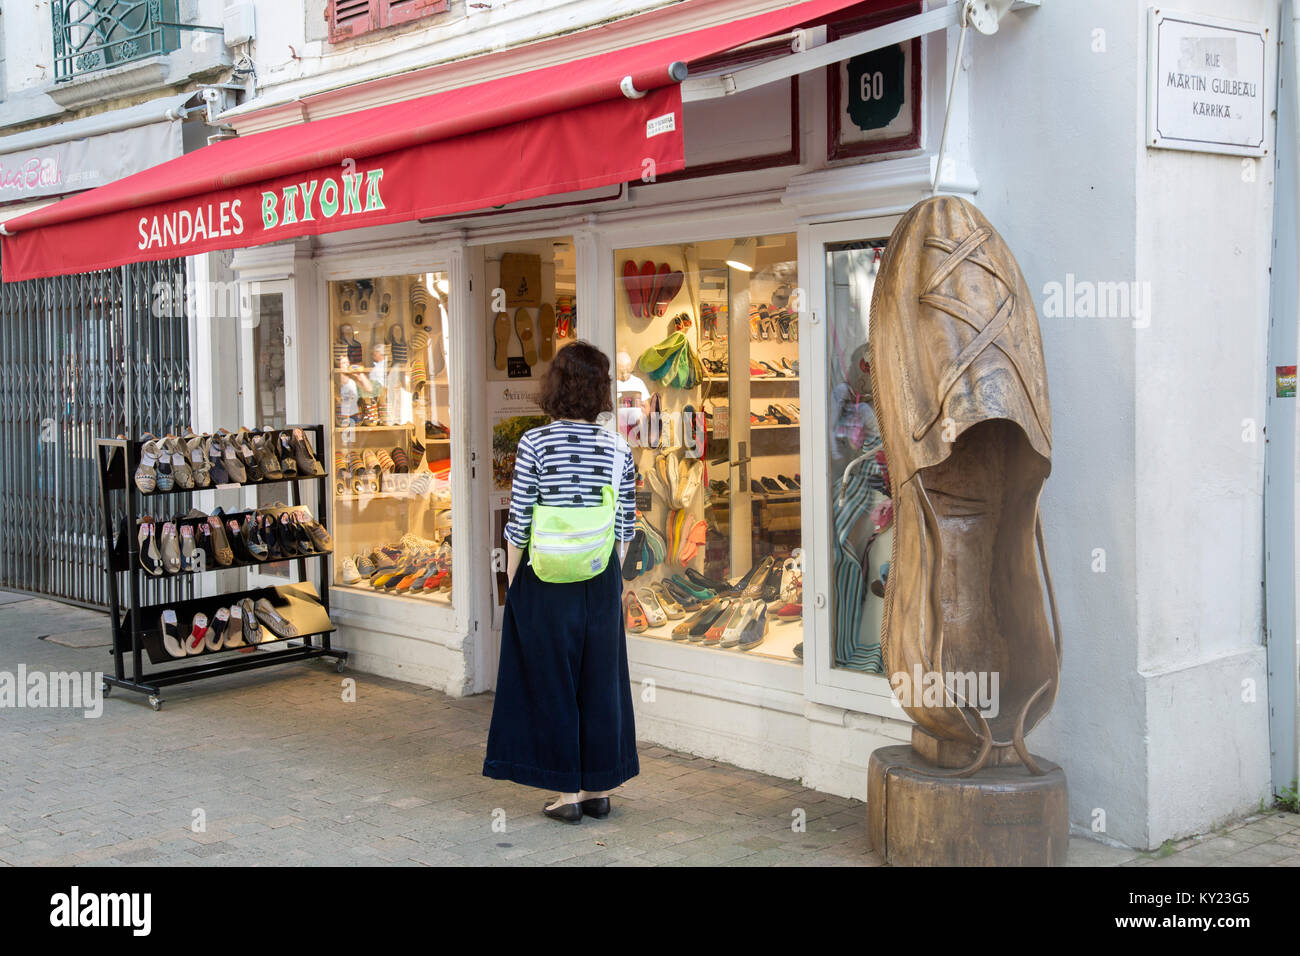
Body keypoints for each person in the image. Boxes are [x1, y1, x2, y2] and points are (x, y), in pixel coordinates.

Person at [483, 341, 640, 823]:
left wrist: (513, 578)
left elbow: (520, 518)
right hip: (598, 577)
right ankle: (599, 788)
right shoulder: (617, 447)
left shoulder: (535, 443)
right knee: (600, 680)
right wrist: (604, 570)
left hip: (544, 576)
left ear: (557, 385)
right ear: (600, 391)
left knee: (551, 679)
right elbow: (626, 526)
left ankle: (566, 793)